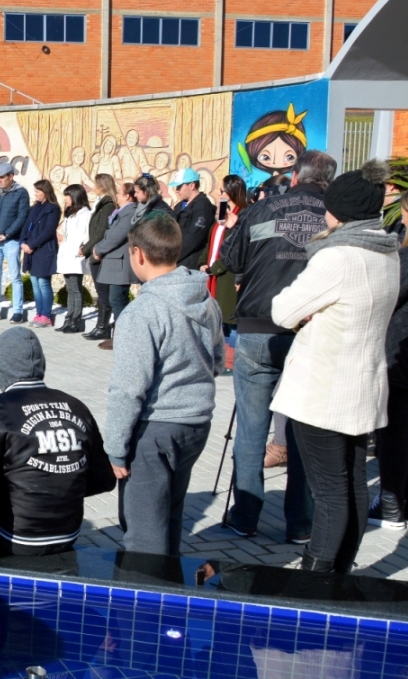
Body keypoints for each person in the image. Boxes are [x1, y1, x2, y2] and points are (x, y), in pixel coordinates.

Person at [269, 161, 400, 574]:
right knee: (353, 482)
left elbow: (282, 310)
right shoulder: (386, 251)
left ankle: (317, 576)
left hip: (323, 391)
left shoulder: (338, 257)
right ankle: (340, 572)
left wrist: (307, 314)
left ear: (339, 211)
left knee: (328, 491)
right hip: (362, 386)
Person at [220, 150, 335, 543]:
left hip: (258, 325)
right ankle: (300, 523)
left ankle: (245, 517)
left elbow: (230, 258)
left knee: (251, 429)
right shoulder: (334, 215)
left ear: (295, 176)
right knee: (303, 431)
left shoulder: (262, 209)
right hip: (309, 330)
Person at [104, 212, 224, 557]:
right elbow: (217, 361)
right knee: (169, 516)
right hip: (196, 424)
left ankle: (146, 588)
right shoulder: (206, 300)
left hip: (155, 430)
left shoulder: (141, 312)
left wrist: (115, 446)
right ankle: (168, 580)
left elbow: (128, 388)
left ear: (138, 254)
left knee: (143, 532)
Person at [0, 328, 114, 557]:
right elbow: (104, 479)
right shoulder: (77, 406)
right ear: (41, 364)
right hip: (69, 531)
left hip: (14, 535)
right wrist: (61, 490)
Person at [90, 174, 169, 349]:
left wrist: (98, 249)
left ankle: (124, 337)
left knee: (118, 300)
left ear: (127, 196)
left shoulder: (130, 212)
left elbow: (116, 236)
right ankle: (120, 336)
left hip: (121, 263)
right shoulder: (128, 211)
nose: (117, 195)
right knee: (115, 299)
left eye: (120, 193)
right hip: (115, 261)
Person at [374, 197, 408, 529]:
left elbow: (387, 296)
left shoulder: (405, 258)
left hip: (401, 354)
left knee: (394, 433)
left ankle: (391, 505)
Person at [203, 174, 250, 372]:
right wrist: (203, 263)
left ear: (232, 191)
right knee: (218, 319)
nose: (219, 194)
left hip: (228, 275)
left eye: (222, 191)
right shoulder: (222, 213)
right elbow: (212, 240)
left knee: (230, 320)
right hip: (213, 274)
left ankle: (232, 363)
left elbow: (237, 247)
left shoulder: (243, 215)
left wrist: (216, 268)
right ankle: (221, 361)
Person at [0, 163, 29, 322]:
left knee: (15, 277)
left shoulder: (21, 193)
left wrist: (6, 235)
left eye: (2, 177)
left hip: (11, 241)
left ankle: (18, 311)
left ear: (11, 176)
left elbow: (22, 217)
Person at [81, 176, 120, 340]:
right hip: (96, 252)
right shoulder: (102, 204)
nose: (94, 186)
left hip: (100, 254)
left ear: (103, 186)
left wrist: (86, 249)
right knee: (101, 291)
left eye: (96, 184)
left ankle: (102, 327)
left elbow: (101, 232)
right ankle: (100, 326)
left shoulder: (108, 205)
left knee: (103, 292)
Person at [21, 179, 61, 328]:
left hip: (44, 250)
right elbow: (26, 227)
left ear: (45, 192)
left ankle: (46, 315)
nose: (35, 194)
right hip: (30, 250)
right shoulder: (34, 208)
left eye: (38, 191)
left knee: (43, 283)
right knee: (35, 283)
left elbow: (48, 231)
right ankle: (39, 313)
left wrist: (32, 244)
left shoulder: (53, 208)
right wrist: (23, 242)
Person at [56, 184, 93, 333]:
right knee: (70, 288)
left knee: (76, 288)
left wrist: (81, 248)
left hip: (76, 255)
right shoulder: (71, 215)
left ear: (76, 196)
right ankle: (69, 317)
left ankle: (76, 320)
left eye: (68, 196)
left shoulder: (86, 214)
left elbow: (86, 235)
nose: (65, 199)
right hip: (68, 255)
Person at [171, 167, 215, 270]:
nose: (176, 190)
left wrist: (171, 257)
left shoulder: (202, 205)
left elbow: (193, 238)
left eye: (179, 186)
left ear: (192, 185)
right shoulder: (180, 206)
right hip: (177, 263)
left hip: (189, 265)